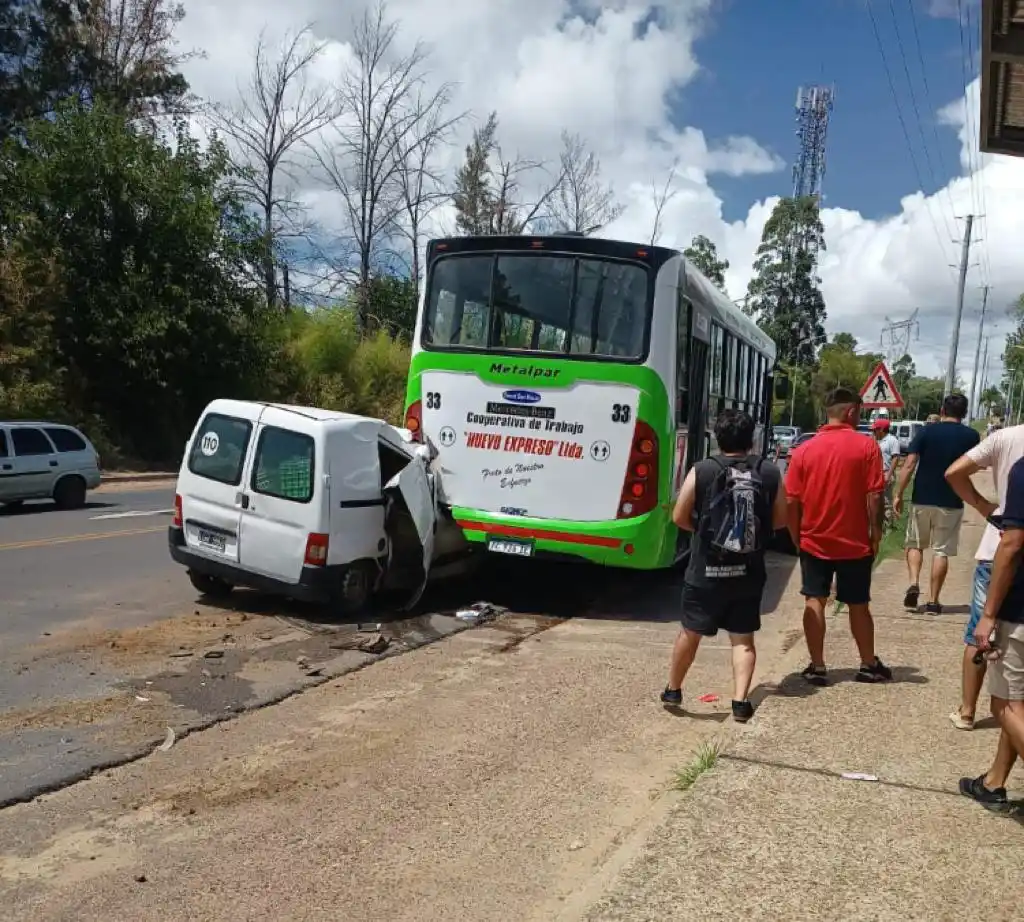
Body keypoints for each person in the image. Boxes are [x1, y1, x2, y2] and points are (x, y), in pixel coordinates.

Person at [661, 409, 787, 722]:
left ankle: (673, 690)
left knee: (690, 633)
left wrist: (706, 532)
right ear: (751, 439)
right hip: (748, 572)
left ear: (718, 438)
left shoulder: (703, 469)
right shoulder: (769, 471)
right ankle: (740, 702)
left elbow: (678, 516)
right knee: (743, 640)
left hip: (705, 572)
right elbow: (781, 520)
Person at [784, 387, 892, 685]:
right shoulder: (867, 447)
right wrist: (876, 533)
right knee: (858, 604)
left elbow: (791, 500)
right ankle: (868, 664)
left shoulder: (804, 450)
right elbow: (874, 496)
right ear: (851, 411)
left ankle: (818, 667)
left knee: (814, 599)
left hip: (813, 540)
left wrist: (796, 535)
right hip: (855, 543)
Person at [944, 423, 1024, 729]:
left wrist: (984, 506)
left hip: (999, 546)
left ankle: (967, 710)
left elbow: (954, 473)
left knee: (980, 632)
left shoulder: (1004, 438)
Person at [958, 455, 1024, 812]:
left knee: (1005, 704)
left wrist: (988, 615)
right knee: (1020, 702)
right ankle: (993, 782)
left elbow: (1012, 543)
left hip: (1021, 611)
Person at [894, 394, 980, 613]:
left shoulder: (926, 431)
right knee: (941, 551)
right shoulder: (971, 436)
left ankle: (914, 582)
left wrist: (898, 493)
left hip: (922, 497)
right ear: (964, 413)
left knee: (915, 543)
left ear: (942, 411)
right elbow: (975, 466)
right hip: (952, 499)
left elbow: (909, 464)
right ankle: (933, 601)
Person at [871, 418, 901, 516]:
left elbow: (895, 458)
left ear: (881, 429)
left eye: (875, 429)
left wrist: (889, 474)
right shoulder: (875, 440)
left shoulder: (892, 440)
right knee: (875, 500)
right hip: (875, 474)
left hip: (886, 472)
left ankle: (887, 521)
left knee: (886, 501)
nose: (873, 431)